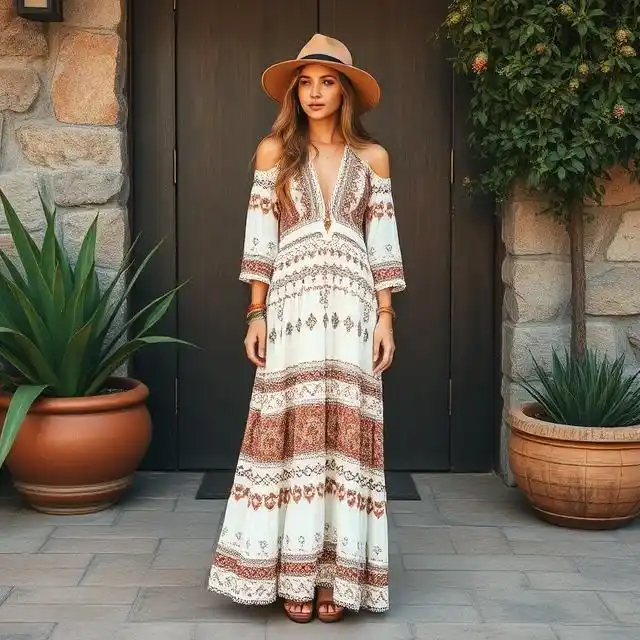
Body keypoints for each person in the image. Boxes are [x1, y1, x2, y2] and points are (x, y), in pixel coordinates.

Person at [208, 33, 406, 624]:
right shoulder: (274, 152)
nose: (315, 92)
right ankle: (292, 570)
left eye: (327, 81)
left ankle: (336, 580)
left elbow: (385, 246)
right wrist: (255, 312)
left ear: (345, 92)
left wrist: (387, 318)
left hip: (353, 318)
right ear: (295, 91)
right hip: (291, 315)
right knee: (291, 435)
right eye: (306, 81)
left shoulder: (374, 160)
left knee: (343, 440)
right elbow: (258, 242)